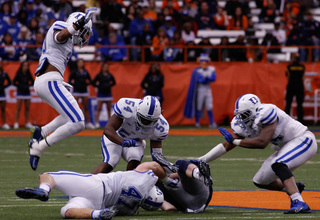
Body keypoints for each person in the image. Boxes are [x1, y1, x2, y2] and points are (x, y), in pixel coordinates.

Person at [200, 93, 317, 214]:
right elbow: (226, 145)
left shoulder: (267, 112)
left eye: (245, 114)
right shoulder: (243, 123)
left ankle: (299, 202)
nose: (242, 118)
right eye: (240, 115)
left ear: (255, 109)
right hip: (287, 145)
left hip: (303, 140)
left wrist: (235, 141)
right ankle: (294, 188)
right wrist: (202, 160)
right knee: (261, 180)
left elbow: (262, 142)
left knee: (278, 163)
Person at [28, 9, 96, 171]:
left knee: (70, 116)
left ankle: (41, 132)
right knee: (78, 122)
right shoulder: (60, 26)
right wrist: (76, 25)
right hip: (48, 81)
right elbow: (60, 36)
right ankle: (39, 147)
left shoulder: (69, 39)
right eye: (85, 32)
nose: (85, 36)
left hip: (51, 80)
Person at [15, 161, 171, 219]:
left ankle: (44, 190)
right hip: (96, 204)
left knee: (48, 176)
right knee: (68, 212)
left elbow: (154, 166)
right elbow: (154, 202)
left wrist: (166, 180)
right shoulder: (130, 210)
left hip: (95, 184)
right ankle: (97, 215)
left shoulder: (143, 179)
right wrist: (165, 205)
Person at [91, 95, 169, 174]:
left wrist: (165, 164)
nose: (146, 123)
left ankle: (128, 185)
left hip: (136, 141)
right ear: (137, 110)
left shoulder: (161, 126)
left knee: (134, 163)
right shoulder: (127, 106)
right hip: (116, 136)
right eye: (143, 119)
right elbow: (108, 129)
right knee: (110, 162)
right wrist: (122, 142)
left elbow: (157, 155)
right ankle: (89, 182)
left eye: (150, 121)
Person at [184, 53, 217, 128]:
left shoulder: (211, 69)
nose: (204, 62)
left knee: (209, 106)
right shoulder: (197, 71)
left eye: (205, 61)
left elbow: (213, 78)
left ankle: (212, 122)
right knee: (198, 106)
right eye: (202, 61)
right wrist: (207, 78)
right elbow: (200, 80)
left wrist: (206, 78)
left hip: (208, 89)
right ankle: (197, 122)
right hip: (200, 89)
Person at [68, 58, 94, 129]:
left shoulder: (85, 72)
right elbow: (69, 80)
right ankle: (73, 122)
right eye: (79, 62)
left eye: (82, 63)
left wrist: (86, 83)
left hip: (84, 91)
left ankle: (88, 123)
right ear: (77, 64)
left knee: (86, 107)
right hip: (76, 91)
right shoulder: (74, 71)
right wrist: (74, 84)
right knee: (74, 107)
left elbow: (90, 80)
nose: (81, 64)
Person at [92, 62, 116, 129]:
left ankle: (109, 123)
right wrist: (99, 86)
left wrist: (109, 86)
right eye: (104, 67)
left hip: (108, 93)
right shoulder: (99, 75)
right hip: (101, 94)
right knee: (99, 108)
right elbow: (93, 82)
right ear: (102, 68)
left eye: (107, 67)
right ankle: (97, 123)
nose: (106, 68)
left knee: (108, 109)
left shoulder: (109, 75)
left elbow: (114, 82)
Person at [284, 53, 305, 124]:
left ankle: (286, 121)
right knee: (300, 104)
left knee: (288, 104)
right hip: (299, 87)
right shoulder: (302, 67)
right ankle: (300, 121)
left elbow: (287, 74)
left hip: (291, 86)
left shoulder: (289, 67)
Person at [13, 61, 34, 129]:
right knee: (18, 108)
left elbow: (32, 82)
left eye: (26, 66)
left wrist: (27, 86)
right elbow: (14, 82)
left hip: (27, 92)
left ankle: (27, 122)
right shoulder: (19, 74)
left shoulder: (28, 74)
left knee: (27, 108)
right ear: (21, 66)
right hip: (20, 92)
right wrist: (20, 86)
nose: (25, 67)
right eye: (24, 66)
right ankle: (16, 122)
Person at [0, 58, 11, 130]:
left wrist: (4, 86)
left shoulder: (4, 73)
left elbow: (10, 82)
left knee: (3, 109)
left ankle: (4, 123)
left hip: (2, 93)